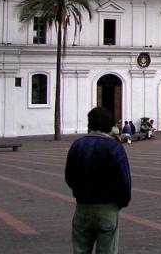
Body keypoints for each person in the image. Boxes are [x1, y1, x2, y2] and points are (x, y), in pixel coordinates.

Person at [65, 106, 132, 254]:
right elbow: (124, 179)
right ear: (110, 126)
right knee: (107, 249)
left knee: (80, 249)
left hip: (82, 207)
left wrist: (80, 191)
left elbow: (69, 176)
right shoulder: (114, 147)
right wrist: (122, 202)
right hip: (107, 207)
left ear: (89, 124)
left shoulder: (77, 145)